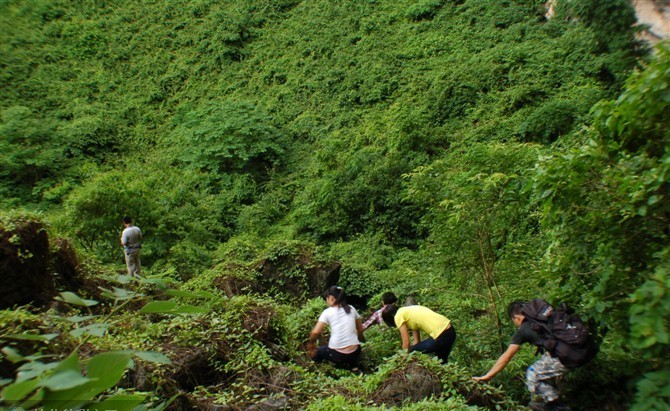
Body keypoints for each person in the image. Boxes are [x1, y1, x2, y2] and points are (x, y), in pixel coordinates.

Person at [472, 301, 570, 411]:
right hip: (577, 347)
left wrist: (487, 376)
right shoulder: (543, 318)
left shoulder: (523, 329)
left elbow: (506, 357)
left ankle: (555, 406)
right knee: (544, 369)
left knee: (532, 374)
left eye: (513, 320)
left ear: (516, 317)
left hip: (564, 355)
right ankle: (553, 401)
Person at [307, 286, 364, 370]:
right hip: (355, 352)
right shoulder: (352, 309)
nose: (326, 301)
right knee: (350, 354)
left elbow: (315, 332)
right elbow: (360, 329)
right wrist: (360, 339)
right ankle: (354, 367)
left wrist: (311, 344)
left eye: (326, 298)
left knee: (320, 351)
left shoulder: (328, 312)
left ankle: (312, 368)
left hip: (337, 355)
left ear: (331, 298)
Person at [382, 303, 456, 363]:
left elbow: (406, 343)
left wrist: (403, 358)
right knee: (441, 362)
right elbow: (417, 342)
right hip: (450, 331)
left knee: (411, 350)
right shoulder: (408, 311)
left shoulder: (398, 316)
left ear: (391, 318)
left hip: (441, 335)